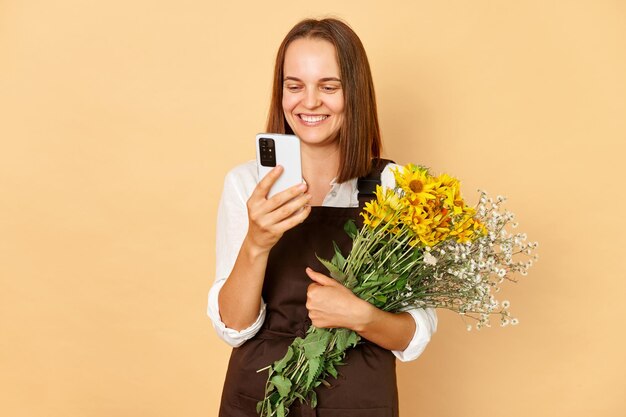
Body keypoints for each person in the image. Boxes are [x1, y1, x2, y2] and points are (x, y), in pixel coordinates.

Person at [208, 18, 437, 417]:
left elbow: (414, 334)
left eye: (329, 87)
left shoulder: (396, 186)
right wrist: (256, 243)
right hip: (260, 399)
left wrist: (361, 316)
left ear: (356, 94)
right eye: (294, 86)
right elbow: (234, 327)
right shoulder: (246, 184)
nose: (309, 102)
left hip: (359, 402)